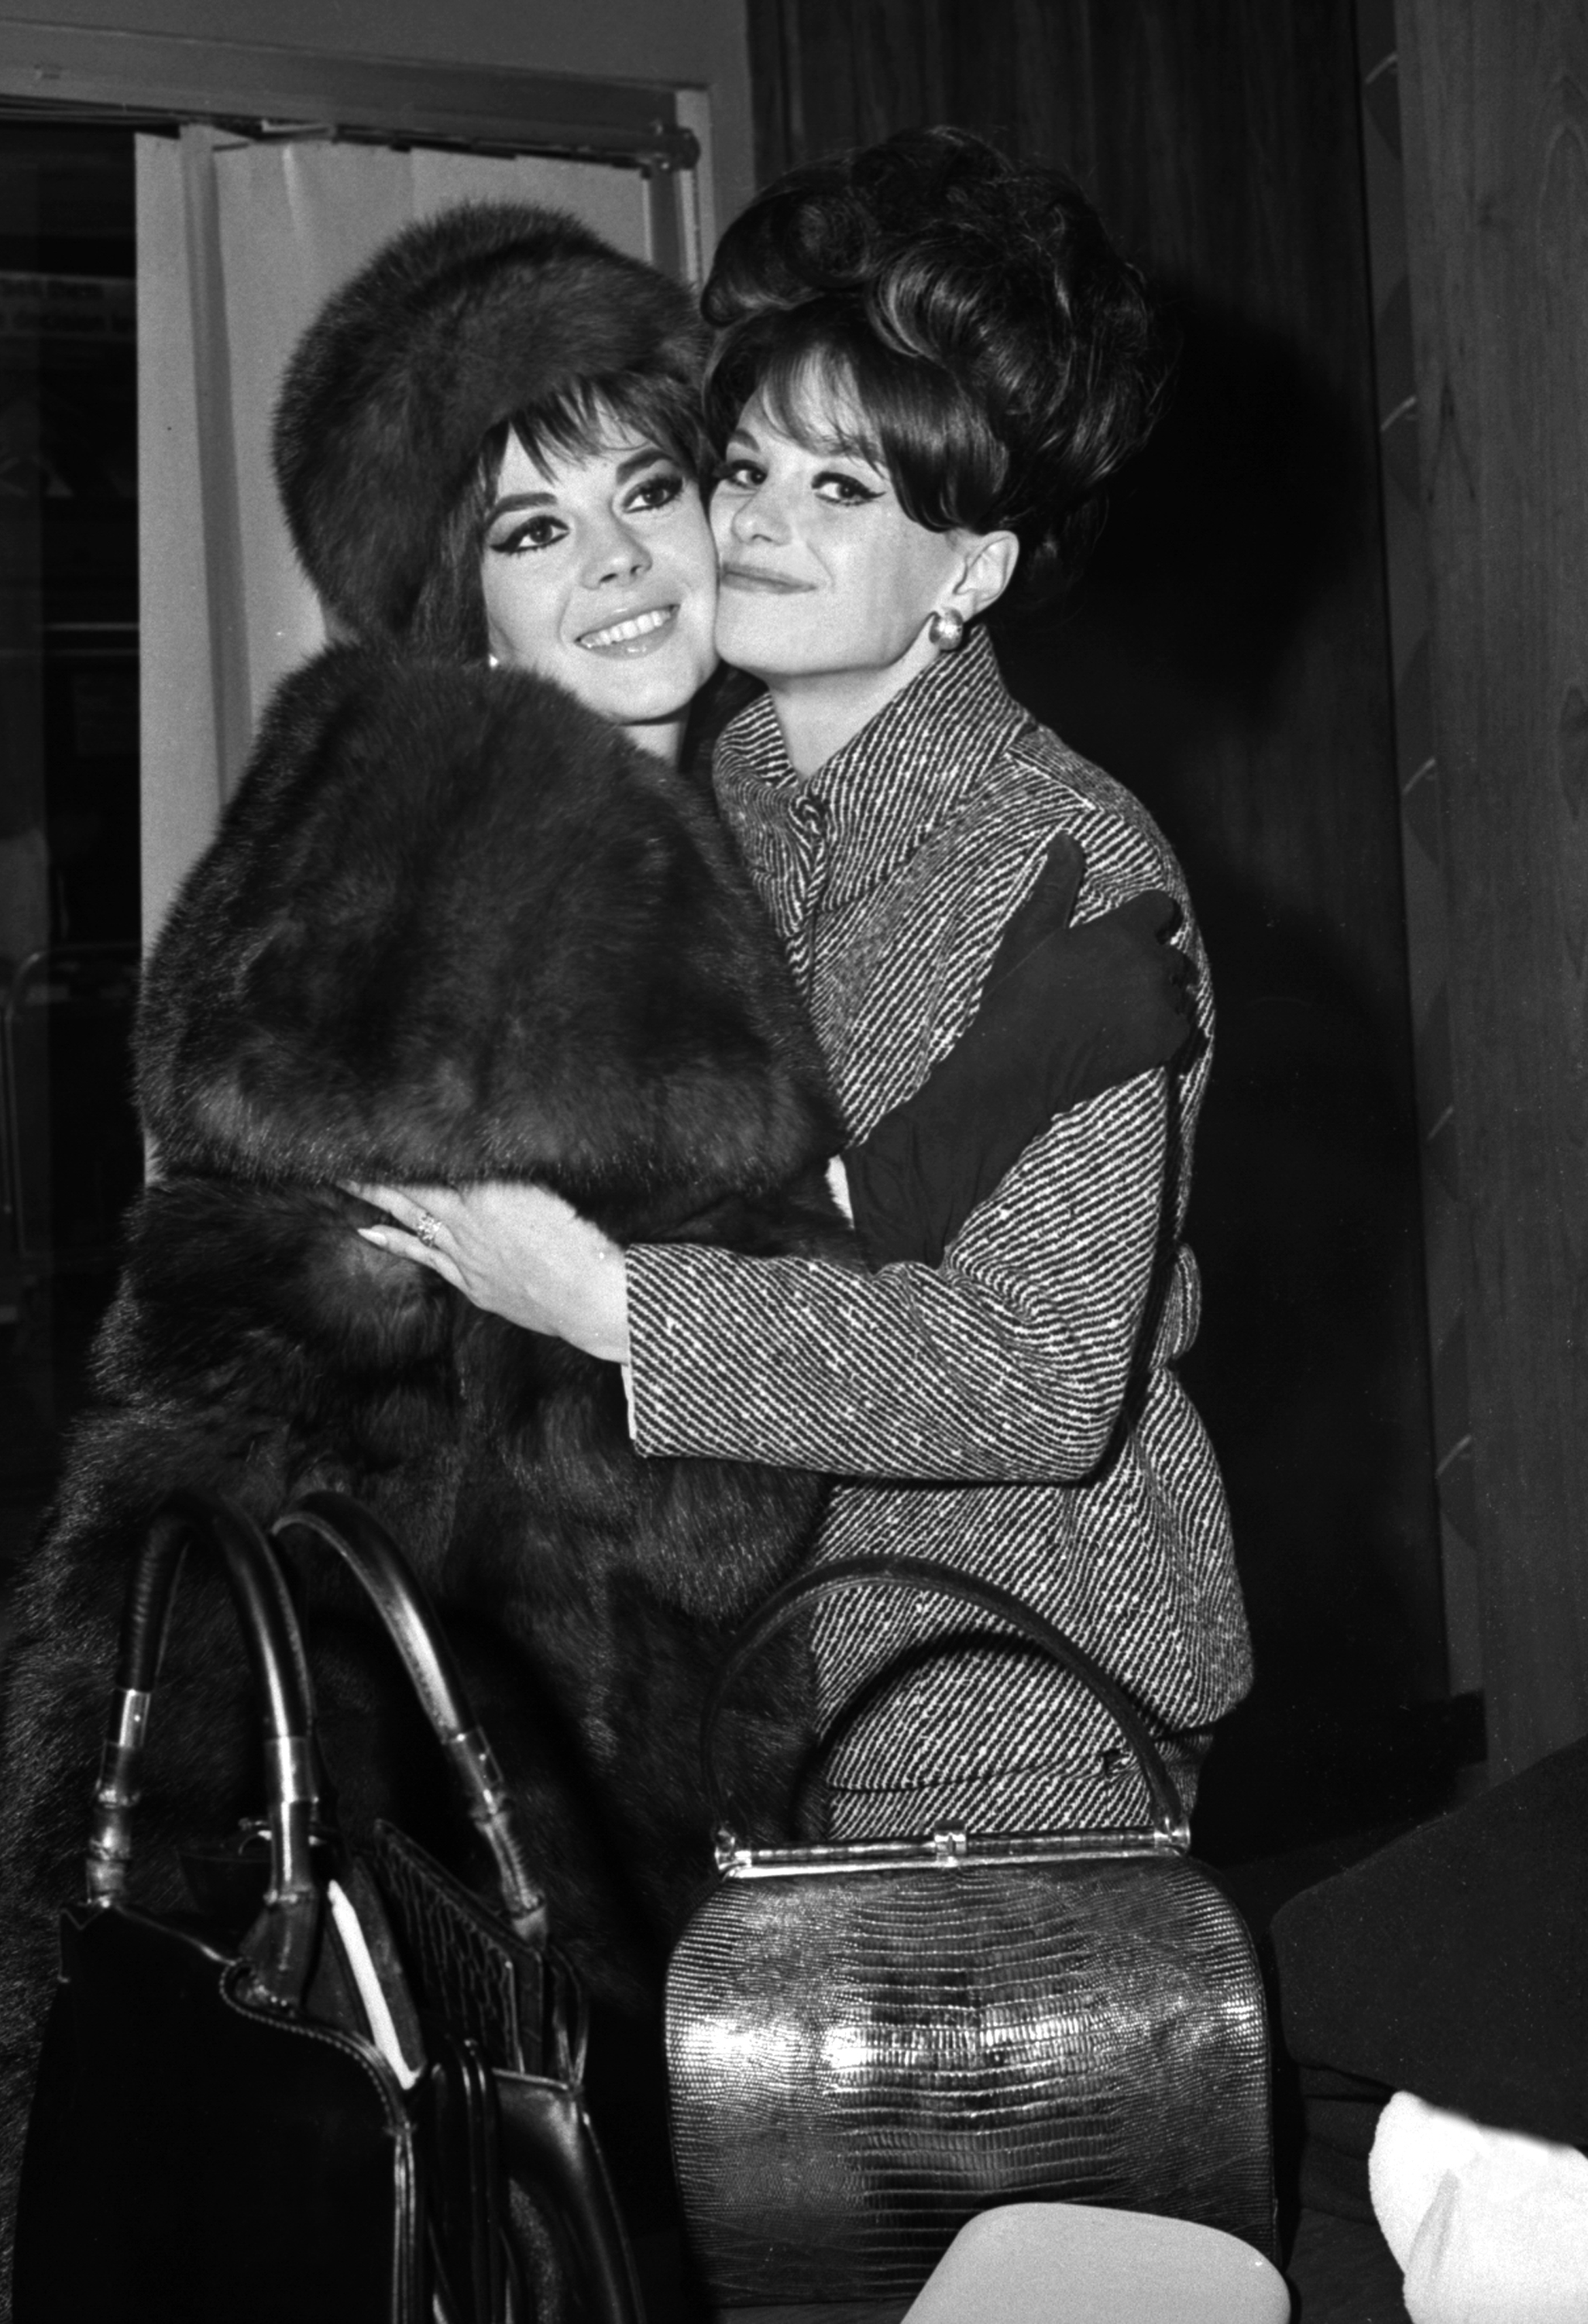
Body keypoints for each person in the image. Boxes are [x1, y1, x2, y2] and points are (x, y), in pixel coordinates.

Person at [0, 200, 1195, 2320]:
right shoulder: (471, 885)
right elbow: (431, 1427)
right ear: (459, 596)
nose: (630, 560)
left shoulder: (704, 798)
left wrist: (991, 1084)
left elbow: (866, 1265)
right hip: (510, 1800)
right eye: (535, 531)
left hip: (865, 1718)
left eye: (651, 485)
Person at [354, 132, 1251, 1842]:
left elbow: (1041, 1381)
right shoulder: (734, 783)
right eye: (749, 470)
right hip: (742, 1683)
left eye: (841, 492)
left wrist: (617, 1309)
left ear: (970, 570)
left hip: (1005, 1692)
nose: (757, 527)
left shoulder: (1063, 858)